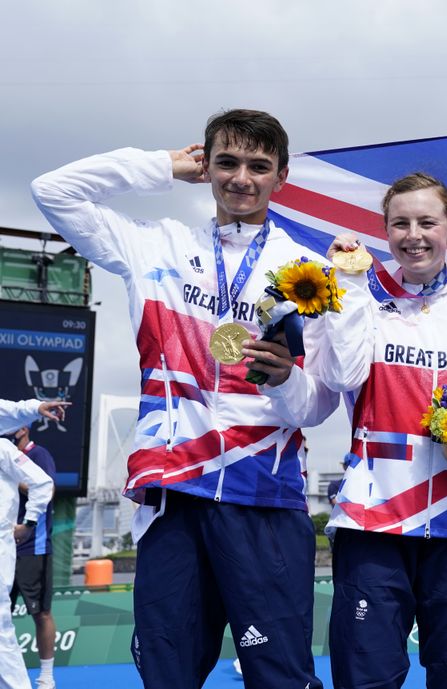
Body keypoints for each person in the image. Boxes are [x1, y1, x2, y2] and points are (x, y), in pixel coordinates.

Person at [31, 110, 338, 689]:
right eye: (226, 162)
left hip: (263, 494)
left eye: (258, 166)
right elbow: (52, 191)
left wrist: (287, 382)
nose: (241, 178)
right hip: (173, 494)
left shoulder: (310, 273)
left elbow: (320, 406)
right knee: (167, 674)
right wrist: (163, 166)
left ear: (282, 176)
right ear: (207, 165)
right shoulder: (155, 246)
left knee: (280, 677)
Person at [260, 172, 447, 689]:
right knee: (366, 680)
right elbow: (340, 379)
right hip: (373, 523)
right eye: (399, 224)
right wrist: (352, 287)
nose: (414, 235)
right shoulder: (361, 301)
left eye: (427, 222)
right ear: (384, 233)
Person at [1, 400, 63, 689]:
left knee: (33, 616)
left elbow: (44, 485)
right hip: (12, 547)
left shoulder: (17, 452)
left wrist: (29, 523)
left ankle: (45, 677)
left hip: (24, 547)